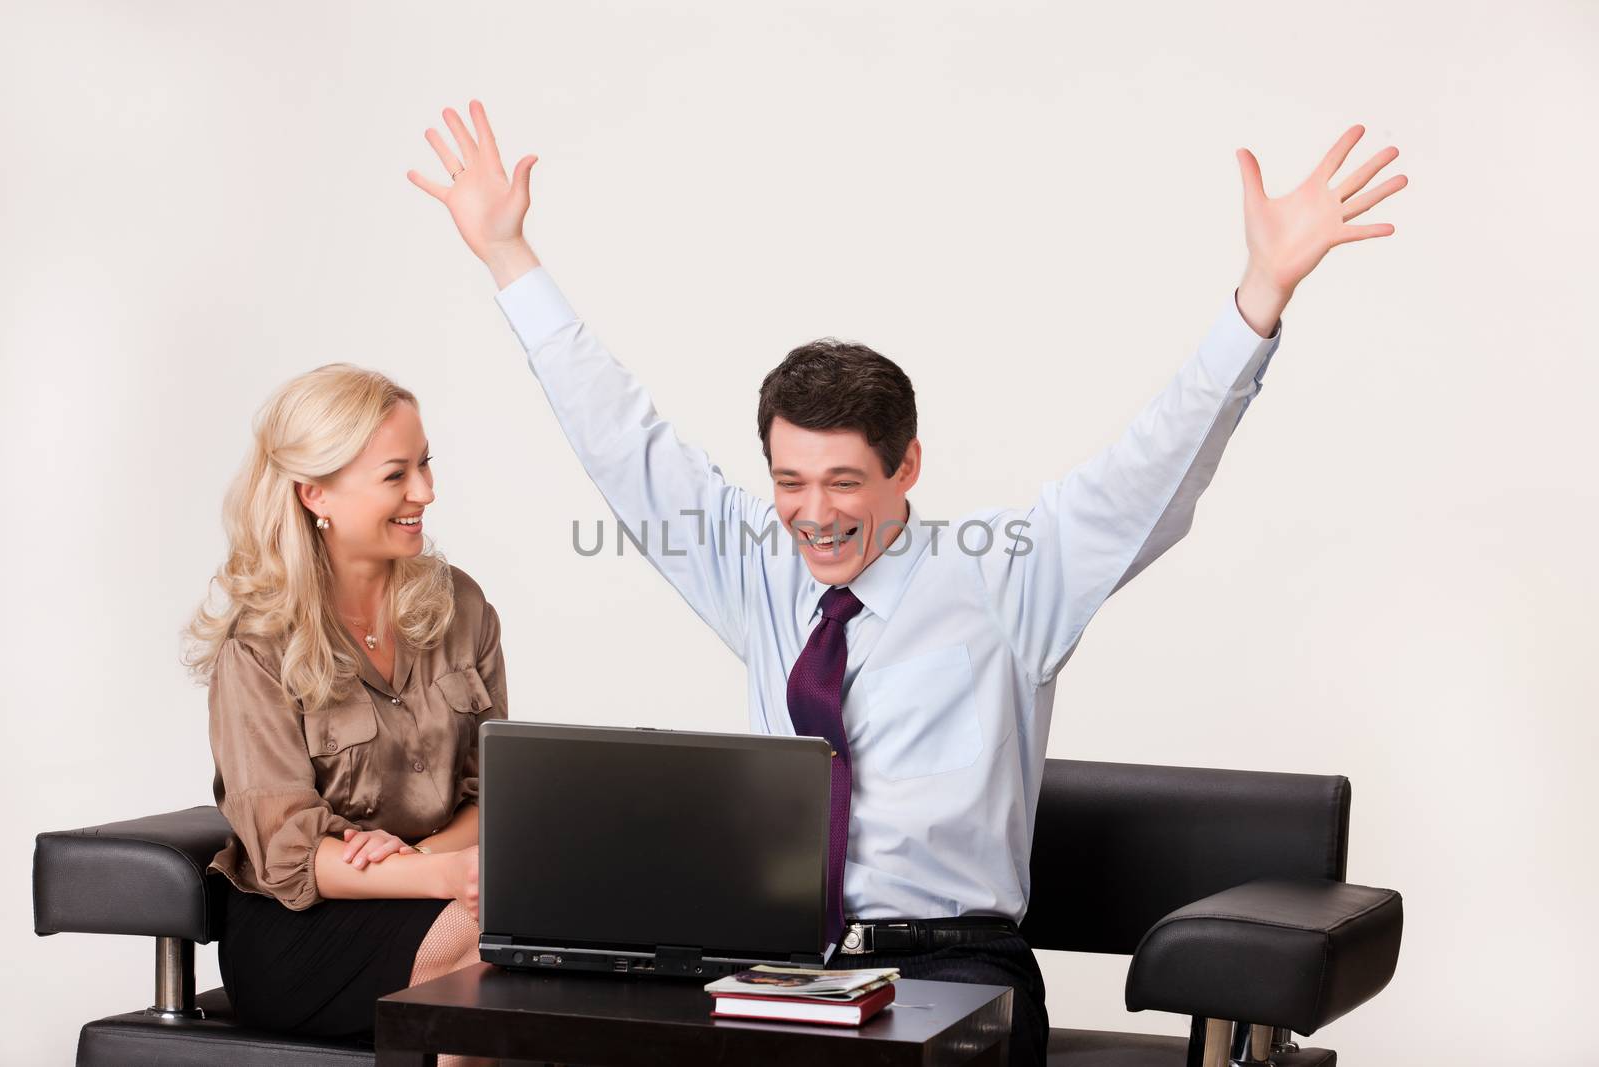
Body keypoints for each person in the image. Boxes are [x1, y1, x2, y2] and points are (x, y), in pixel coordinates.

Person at [408, 100, 1406, 1065]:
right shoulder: (756, 567)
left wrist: (1260, 293)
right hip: (781, 959)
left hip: (955, 964)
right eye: (789, 481)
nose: (814, 512)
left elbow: (1157, 460)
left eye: (845, 481)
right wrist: (508, 256)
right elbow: (624, 439)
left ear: (906, 468)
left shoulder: (1012, 576)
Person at [185, 363, 506, 1049]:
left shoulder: (463, 607)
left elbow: (497, 790)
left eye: (425, 465)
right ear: (314, 493)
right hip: (304, 926)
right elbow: (287, 855)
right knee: (486, 940)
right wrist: (436, 875)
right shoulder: (259, 644)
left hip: (440, 879)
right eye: (396, 475)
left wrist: (420, 859)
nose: (426, 490)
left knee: (561, 941)